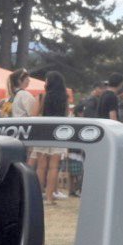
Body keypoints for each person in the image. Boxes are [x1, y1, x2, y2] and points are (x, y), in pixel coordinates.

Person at [34, 72, 69, 204]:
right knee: (54, 167)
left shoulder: (42, 97)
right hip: (58, 133)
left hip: (42, 131)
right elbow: (66, 116)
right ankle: (49, 197)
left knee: (41, 167)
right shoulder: (64, 98)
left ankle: (36, 196)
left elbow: (33, 115)